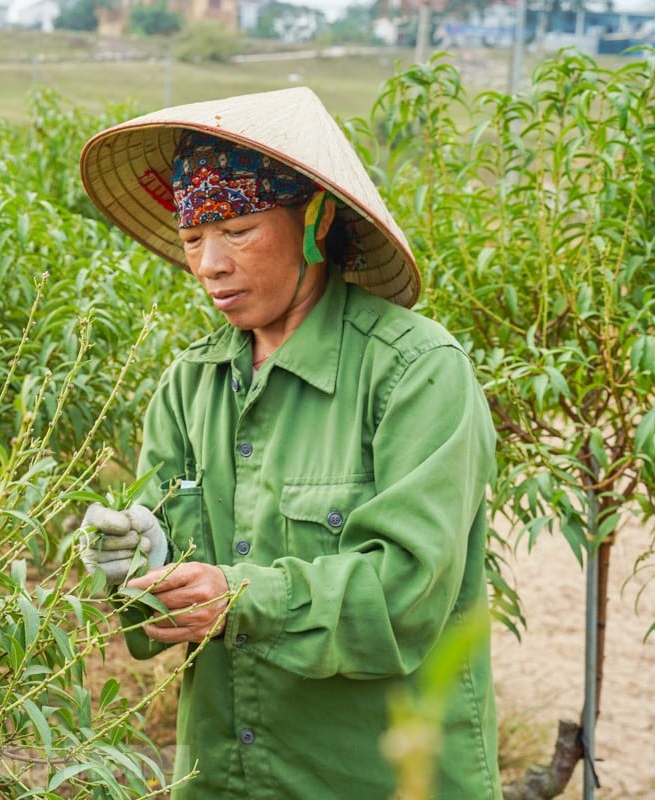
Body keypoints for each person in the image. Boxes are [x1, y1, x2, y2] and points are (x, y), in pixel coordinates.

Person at [75, 88, 502, 799]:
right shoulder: (192, 385)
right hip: (225, 776)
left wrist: (241, 597)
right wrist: (127, 564)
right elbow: (165, 585)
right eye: (191, 239)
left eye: (237, 230)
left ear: (315, 223)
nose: (209, 264)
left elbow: (407, 592)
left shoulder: (414, 373)